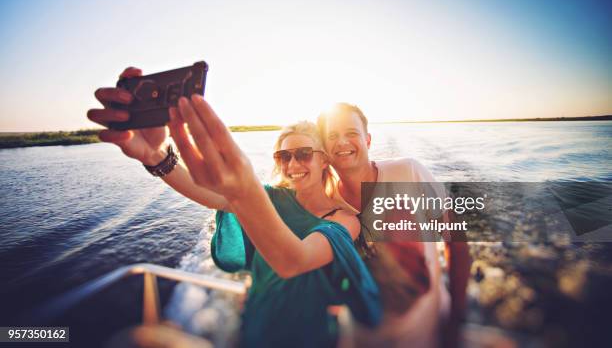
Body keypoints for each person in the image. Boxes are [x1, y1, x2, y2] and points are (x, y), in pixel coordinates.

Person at [87, 68, 382, 347]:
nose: (293, 165)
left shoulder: (344, 220)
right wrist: (154, 155)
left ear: (324, 160)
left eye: (304, 154)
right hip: (256, 324)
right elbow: (207, 192)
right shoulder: (268, 198)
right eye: (284, 156)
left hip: (309, 336)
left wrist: (244, 190)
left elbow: (294, 260)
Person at [316, 103, 471, 348]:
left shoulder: (408, 172)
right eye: (332, 136)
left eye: (351, 133)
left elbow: (457, 241)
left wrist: (456, 319)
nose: (342, 142)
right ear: (323, 149)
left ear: (367, 140)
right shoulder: (322, 204)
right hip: (359, 338)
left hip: (427, 335)